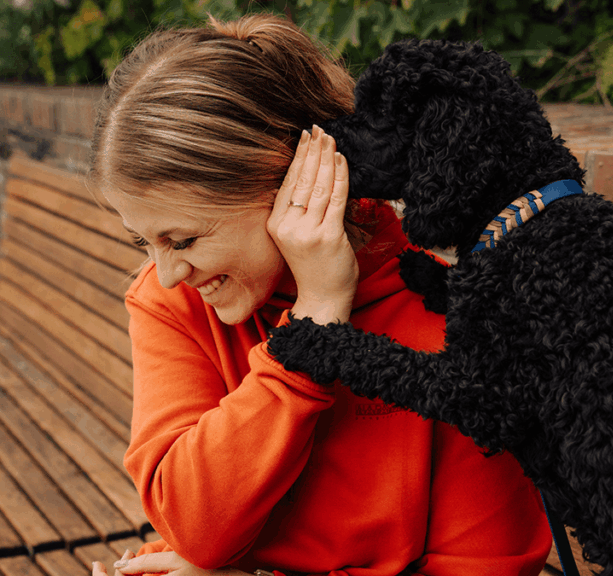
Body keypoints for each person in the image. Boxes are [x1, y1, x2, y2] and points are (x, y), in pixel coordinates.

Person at [89, 13, 552, 576]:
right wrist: (312, 327)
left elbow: (486, 567)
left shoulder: (450, 317)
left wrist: (317, 319)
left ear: (292, 183)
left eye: (182, 238)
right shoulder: (174, 304)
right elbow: (192, 524)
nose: (163, 273)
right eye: (144, 240)